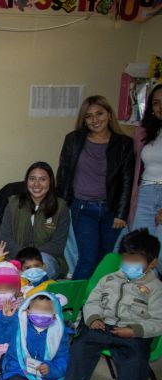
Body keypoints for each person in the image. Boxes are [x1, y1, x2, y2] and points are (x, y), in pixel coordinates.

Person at [52, 229, 162, 380]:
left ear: (152, 263)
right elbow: (91, 301)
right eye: (125, 259)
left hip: (134, 332)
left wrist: (135, 330)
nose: (128, 264)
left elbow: (158, 321)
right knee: (81, 346)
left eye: (135, 260)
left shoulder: (156, 289)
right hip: (103, 326)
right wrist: (94, 318)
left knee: (136, 359)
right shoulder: (109, 279)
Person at [56, 95, 135, 280]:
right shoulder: (74, 140)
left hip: (111, 211)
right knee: (87, 259)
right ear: (84, 120)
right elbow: (64, 174)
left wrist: (121, 214)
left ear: (109, 114)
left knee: (105, 260)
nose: (95, 120)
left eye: (99, 113)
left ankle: (97, 302)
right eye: (89, 116)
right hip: (82, 209)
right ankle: (72, 305)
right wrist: (61, 205)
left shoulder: (124, 144)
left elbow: (126, 181)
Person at [0, 162, 70, 279]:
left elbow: (58, 244)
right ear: (26, 181)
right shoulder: (13, 203)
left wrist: (31, 257)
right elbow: (5, 238)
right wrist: (22, 257)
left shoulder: (61, 207)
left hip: (44, 259)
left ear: (50, 182)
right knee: (3, 272)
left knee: (40, 268)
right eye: (32, 179)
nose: (36, 184)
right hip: (16, 257)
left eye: (42, 179)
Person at [128, 84, 162, 266]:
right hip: (145, 194)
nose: (161, 107)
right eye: (156, 103)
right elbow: (136, 169)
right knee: (140, 252)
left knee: (160, 255)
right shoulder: (143, 131)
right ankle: (143, 293)